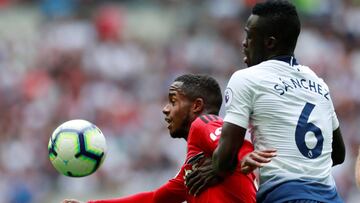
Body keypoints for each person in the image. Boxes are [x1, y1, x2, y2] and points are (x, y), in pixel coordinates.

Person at [185, 1, 346, 203]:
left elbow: (224, 162)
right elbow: (338, 154)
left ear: (269, 43)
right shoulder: (318, 83)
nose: (244, 43)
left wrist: (216, 164)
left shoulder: (247, 79)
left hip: (285, 197)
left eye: (250, 36)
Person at [63, 74, 257, 203]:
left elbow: (235, 146)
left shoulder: (204, 123)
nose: (165, 109)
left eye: (173, 101)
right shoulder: (192, 171)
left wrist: (232, 161)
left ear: (196, 106)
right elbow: (154, 199)